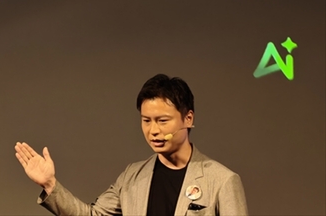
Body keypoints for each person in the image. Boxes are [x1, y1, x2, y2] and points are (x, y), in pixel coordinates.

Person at [15, 74, 247, 215]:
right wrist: (50, 184)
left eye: (162, 121)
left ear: (188, 118)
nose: (153, 130)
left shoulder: (222, 181)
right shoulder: (132, 177)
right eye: (146, 121)